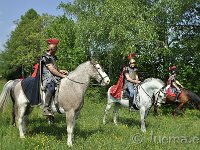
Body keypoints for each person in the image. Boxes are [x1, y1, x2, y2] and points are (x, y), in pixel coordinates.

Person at [41, 38, 68, 116]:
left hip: (54, 76)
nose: (56, 52)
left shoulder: (52, 57)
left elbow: (55, 69)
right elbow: (52, 70)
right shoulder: (45, 57)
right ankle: (46, 108)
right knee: (51, 86)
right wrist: (62, 75)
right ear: (51, 49)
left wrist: (62, 71)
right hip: (47, 78)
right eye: (55, 50)